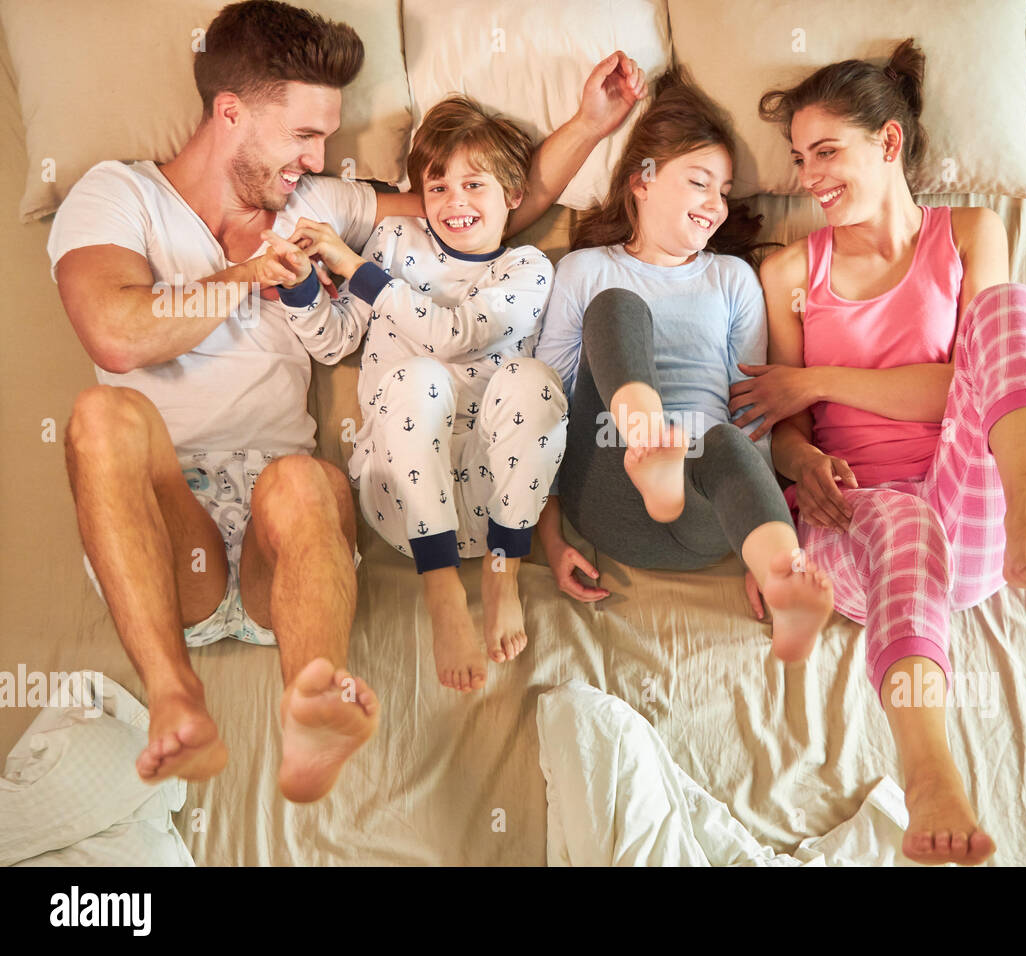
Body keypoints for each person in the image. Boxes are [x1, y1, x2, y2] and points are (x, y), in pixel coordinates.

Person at [49, 0, 644, 801]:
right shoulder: (115, 195)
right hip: (162, 521)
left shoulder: (317, 204)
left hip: (281, 532)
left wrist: (590, 123)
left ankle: (312, 708)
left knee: (304, 479)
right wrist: (249, 277)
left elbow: (485, 214)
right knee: (97, 417)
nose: (319, 157)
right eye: (303, 136)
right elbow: (116, 335)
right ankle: (174, 694)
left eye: (325, 138)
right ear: (230, 113)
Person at [733, 38, 1026, 863]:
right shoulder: (787, 272)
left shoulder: (969, 232)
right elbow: (781, 424)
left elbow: (963, 382)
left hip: (975, 509)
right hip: (854, 528)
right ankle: (929, 774)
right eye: (798, 158)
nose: (809, 176)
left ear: (889, 143)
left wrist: (818, 379)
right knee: (900, 527)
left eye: (828, 151)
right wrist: (802, 459)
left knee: (1012, 312)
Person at [270, 96, 581, 693]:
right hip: (402, 492)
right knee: (417, 379)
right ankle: (440, 588)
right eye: (437, 187)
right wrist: (302, 286)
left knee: (535, 383)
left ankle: (501, 573)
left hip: (499, 492)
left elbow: (455, 334)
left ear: (513, 195)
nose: (453, 202)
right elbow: (335, 343)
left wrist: (357, 268)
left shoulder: (529, 268)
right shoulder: (391, 241)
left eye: (474, 184)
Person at [534, 69, 834, 658]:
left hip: (701, 519)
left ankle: (783, 584)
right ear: (641, 182)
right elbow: (546, 406)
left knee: (725, 440)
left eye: (723, 191)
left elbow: (754, 416)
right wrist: (547, 537)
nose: (715, 205)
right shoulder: (586, 270)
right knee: (619, 307)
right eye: (699, 183)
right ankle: (650, 450)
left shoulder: (734, 279)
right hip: (607, 486)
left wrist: (757, 534)